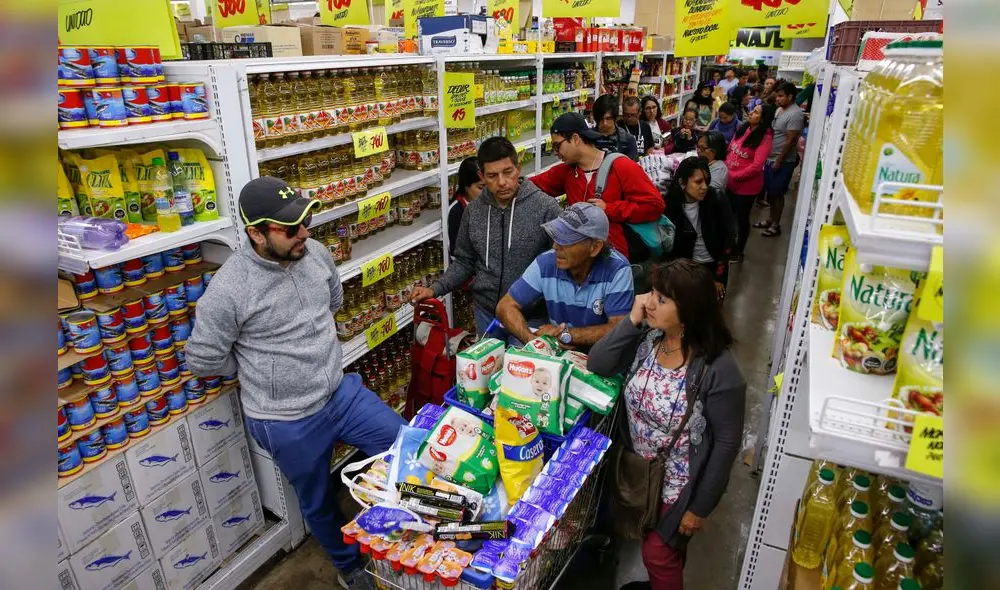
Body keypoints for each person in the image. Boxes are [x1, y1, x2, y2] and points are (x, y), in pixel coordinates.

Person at [185, 176, 405, 589]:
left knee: (402, 443)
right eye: (290, 229)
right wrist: (257, 371)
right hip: (285, 419)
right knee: (318, 500)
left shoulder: (316, 253)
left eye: (306, 221)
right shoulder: (228, 290)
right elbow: (202, 359)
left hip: (340, 392)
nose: (305, 233)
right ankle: (349, 566)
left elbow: (334, 301)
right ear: (256, 233)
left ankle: (396, 534)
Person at [588, 259, 746, 590]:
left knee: (657, 553)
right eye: (652, 293)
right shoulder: (649, 339)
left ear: (688, 310)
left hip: (679, 483)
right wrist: (631, 321)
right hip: (640, 471)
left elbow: (727, 444)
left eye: (661, 298)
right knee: (666, 548)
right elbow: (599, 364)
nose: (649, 302)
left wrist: (700, 508)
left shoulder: (718, 369)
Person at [410, 137, 561, 335]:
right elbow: (465, 261)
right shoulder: (474, 211)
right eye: (492, 176)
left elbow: (561, 262)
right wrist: (435, 289)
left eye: (507, 172)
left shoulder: (545, 207)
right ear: (482, 175)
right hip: (485, 313)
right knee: (488, 365)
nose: (501, 182)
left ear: (518, 168)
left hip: (530, 316)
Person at [496, 203, 634, 351]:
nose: (556, 246)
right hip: (557, 350)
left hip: (600, 355)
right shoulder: (546, 263)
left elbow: (619, 328)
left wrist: (566, 335)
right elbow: (505, 306)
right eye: (556, 237)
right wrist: (534, 342)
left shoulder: (617, 270)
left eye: (566, 240)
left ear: (595, 247)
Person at [532, 112, 664, 263]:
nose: (556, 153)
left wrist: (609, 209)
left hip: (615, 261)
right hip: (581, 261)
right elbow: (531, 184)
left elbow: (654, 205)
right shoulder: (567, 171)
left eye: (557, 146)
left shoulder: (621, 166)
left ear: (575, 139)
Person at [663, 157, 736, 299]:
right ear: (682, 183)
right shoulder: (671, 206)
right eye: (698, 182)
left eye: (706, 181)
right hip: (685, 270)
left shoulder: (717, 199)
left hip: (713, 267)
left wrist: (718, 278)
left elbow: (729, 238)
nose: (704, 187)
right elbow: (669, 250)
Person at [726, 104, 776, 262]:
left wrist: (735, 175)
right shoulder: (743, 128)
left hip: (746, 187)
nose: (751, 113)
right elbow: (730, 149)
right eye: (752, 110)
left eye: (756, 112)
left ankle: (738, 251)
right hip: (729, 182)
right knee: (728, 216)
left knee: (741, 219)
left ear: (763, 118)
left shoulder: (765, 137)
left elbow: (757, 166)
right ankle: (727, 246)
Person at [760, 82, 805, 238]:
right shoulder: (780, 110)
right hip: (770, 157)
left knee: (777, 193)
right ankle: (770, 219)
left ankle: (776, 225)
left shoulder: (795, 114)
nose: (778, 99)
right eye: (777, 96)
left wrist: (778, 161)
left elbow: (790, 140)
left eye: (781, 96)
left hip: (783, 161)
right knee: (770, 193)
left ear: (790, 96)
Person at [448, 157, 484, 258]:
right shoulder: (456, 211)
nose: (487, 192)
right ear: (466, 186)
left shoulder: (491, 202)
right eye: (481, 187)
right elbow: (455, 252)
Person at [593, 94, 639, 160]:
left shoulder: (628, 140)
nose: (605, 123)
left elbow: (634, 167)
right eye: (601, 119)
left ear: (615, 117)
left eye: (608, 118)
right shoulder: (587, 139)